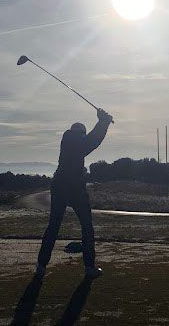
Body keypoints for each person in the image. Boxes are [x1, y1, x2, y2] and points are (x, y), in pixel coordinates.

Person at [35, 108, 113, 280]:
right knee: (86, 226)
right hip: (73, 186)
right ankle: (89, 267)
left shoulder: (68, 139)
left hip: (59, 184)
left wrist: (102, 123)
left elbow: (89, 142)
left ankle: (41, 266)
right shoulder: (77, 141)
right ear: (80, 133)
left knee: (53, 226)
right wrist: (103, 122)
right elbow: (91, 142)